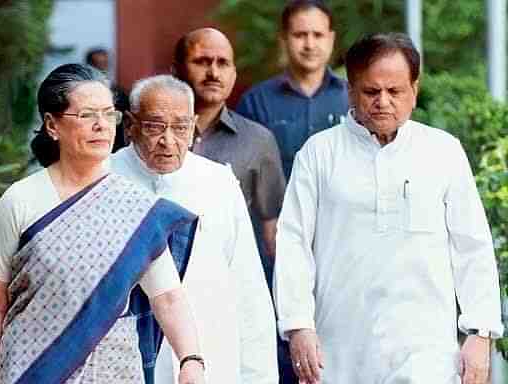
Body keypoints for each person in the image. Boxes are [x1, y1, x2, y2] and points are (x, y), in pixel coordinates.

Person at [274, 32, 504, 384]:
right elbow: (293, 244)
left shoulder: (443, 152)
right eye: (371, 91)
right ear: (350, 91)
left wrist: (480, 332)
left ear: (414, 90)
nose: (383, 101)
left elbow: (472, 246)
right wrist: (298, 325)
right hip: (338, 352)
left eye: (395, 91)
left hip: (427, 351)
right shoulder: (318, 154)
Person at [0, 64, 205, 384]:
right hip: (30, 369)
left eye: (109, 114)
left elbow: (167, 297)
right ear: (52, 125)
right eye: (87, 115)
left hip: (113, 371)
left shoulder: (134, 206)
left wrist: (191, 360)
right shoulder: (21, 200)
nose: (102, 126)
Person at [111, 75, 278, 384]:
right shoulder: (105, 180)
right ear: (130, 126)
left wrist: (260, 376)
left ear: (193, 128)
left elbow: (247, 287)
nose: (168, 141)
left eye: (180, 127)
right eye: (155, 127)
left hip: (210, 352)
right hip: (122, 359)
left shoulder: (218, 182)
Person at [171, 28, 286, 272]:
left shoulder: (257, 141)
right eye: (202, 62)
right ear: (176, 71)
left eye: (223, 63)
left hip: (229, 278)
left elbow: (272, 230)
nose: (213, 72)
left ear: (233, 74)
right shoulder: (155, 134)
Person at [236, 0, 349, 181]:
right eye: (300, 35)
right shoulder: (255, 102)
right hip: (279, 209)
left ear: (331, 39)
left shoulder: (353, 98)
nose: (309, 45)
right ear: (284, 39)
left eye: (318, 35)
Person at [85, 47, 130, 151]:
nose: (102, 68)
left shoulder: (119, 93)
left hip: (114, 146)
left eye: (104, 64)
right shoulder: (80, 95)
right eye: (97, 64)